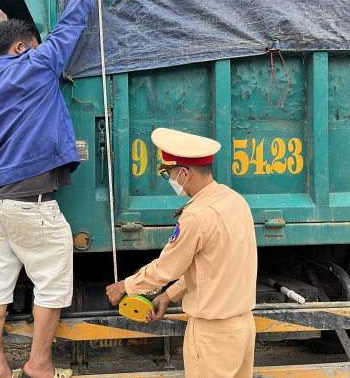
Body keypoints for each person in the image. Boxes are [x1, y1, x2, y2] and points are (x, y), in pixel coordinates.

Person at [0, 0, 112, 378]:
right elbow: (71, 26)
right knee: (53, 286)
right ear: (21, 47)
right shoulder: (35, 64)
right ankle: (39, 365)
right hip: (30, 202)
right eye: (35, 47)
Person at [106, 128, 258, 378]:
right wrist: (168, 296)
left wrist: (126, 286)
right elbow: (213, 268)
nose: (170, 180)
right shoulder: (235, 201)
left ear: (185, 173)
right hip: (243, 328)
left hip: (213, 335)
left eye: (170, 174)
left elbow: (166, 268)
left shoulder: (197, 216)